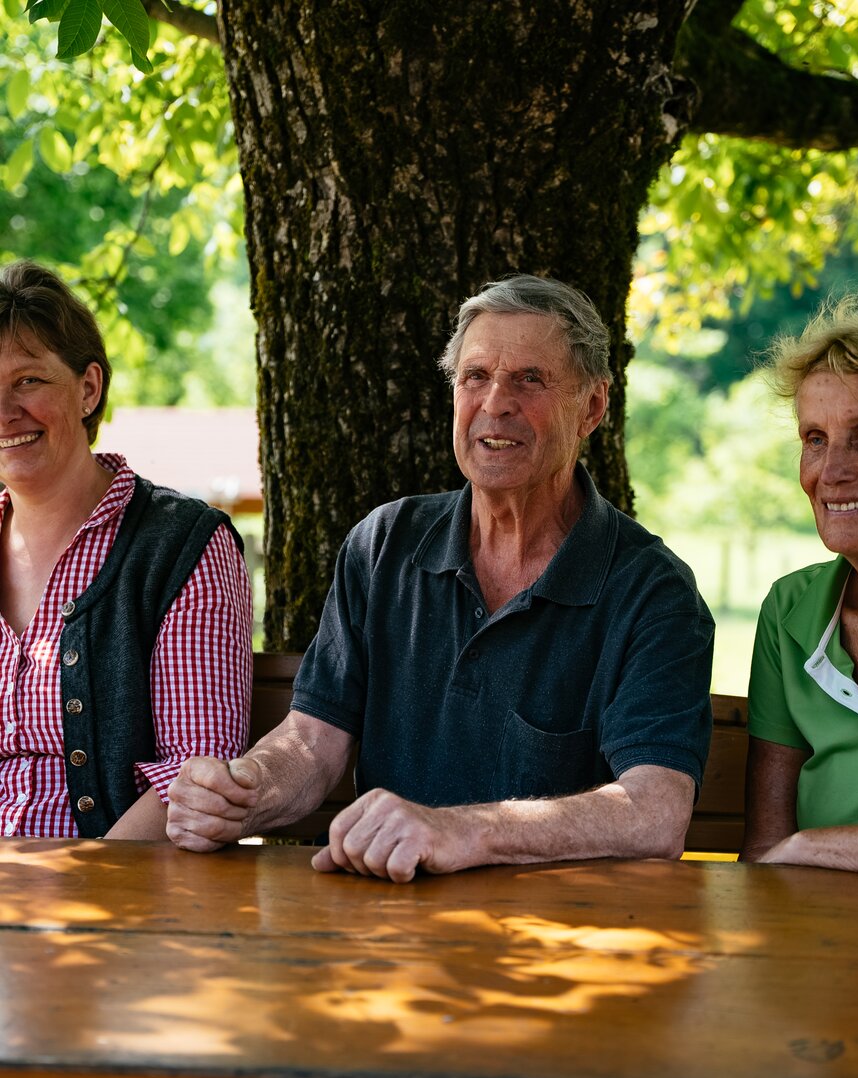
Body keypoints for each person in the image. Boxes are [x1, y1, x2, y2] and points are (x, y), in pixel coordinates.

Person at [167, 274, 714, 879]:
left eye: (530, 379)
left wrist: (461, 830)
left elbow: (655, 813)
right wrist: (242, 794)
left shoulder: (652, 590)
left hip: (559, 941)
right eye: (475, 377)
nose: (495, 401)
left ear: (592, 406)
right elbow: (313, 745)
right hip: (387, 916)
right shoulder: (384, 545)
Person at [0, 260, 252, 840]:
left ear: (88, 388)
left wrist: (89, 896)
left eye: (29, 380)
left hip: (110, 896)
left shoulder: (180, 546)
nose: (7, 409)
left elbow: (196, 773)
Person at [742, 298, 858, 874]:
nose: (832, 472)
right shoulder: (790, 613)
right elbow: (761, 851)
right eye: (816, 438)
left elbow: (786, 851)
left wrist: (810, 848)